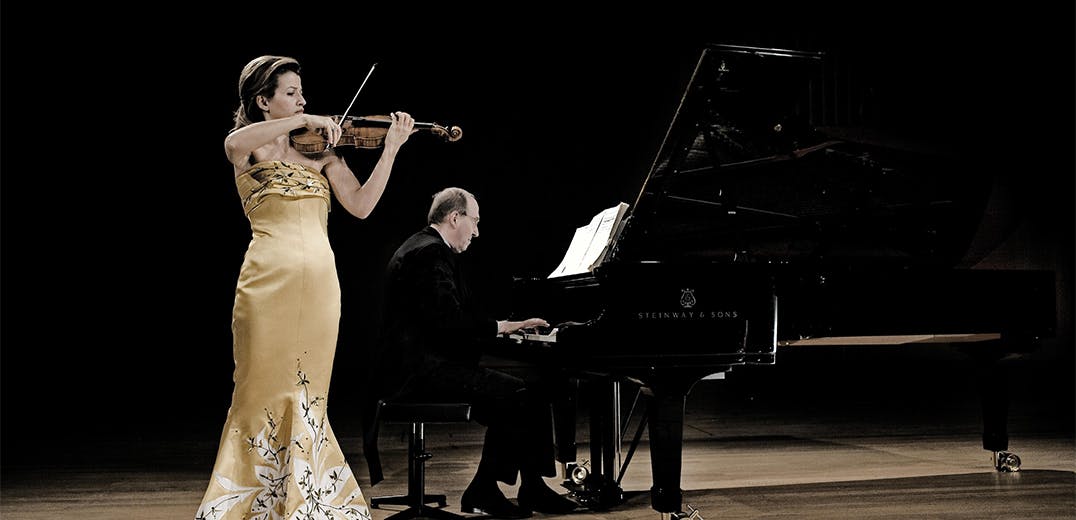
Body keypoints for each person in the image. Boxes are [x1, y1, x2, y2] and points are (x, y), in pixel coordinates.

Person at [196, 55, 414, 520]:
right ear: (263, 100)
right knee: (256, 392)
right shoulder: (250, 148)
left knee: (308, 396)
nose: (303, 101)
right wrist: (303, 119)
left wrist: (391, 149)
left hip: (319, 287)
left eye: (302, 93)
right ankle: (251, 504)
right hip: (265, 283)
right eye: (291, 93)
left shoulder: (323, 154)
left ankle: (307, 502)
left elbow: (360, 206)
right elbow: (233, 142)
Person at [367, 187, 579, 519]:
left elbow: (449, 318)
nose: (477, 232)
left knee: (532, 391)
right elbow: (449, 322)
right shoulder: (429, 254)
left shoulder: (426, 247)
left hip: (423, 365)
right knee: (515, 395)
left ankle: (533, 487)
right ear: (455, 217)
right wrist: (504, 327)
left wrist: (504, 328)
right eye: (475, 221)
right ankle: (483, 489)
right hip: (416, 374)